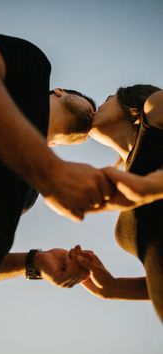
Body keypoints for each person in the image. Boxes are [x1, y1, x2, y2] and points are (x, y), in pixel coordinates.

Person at [0, 31, 113, 353]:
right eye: (90, 102)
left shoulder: (28, 191)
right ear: (58, 92)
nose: (93, 111)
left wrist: (35, 262)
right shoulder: (30, 72)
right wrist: (50, 170)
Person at [74, 85, 163, 322]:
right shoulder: (129, 179)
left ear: (131, 102)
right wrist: (113, 287)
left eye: (107, 98)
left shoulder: (155, 113)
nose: (97, 106)